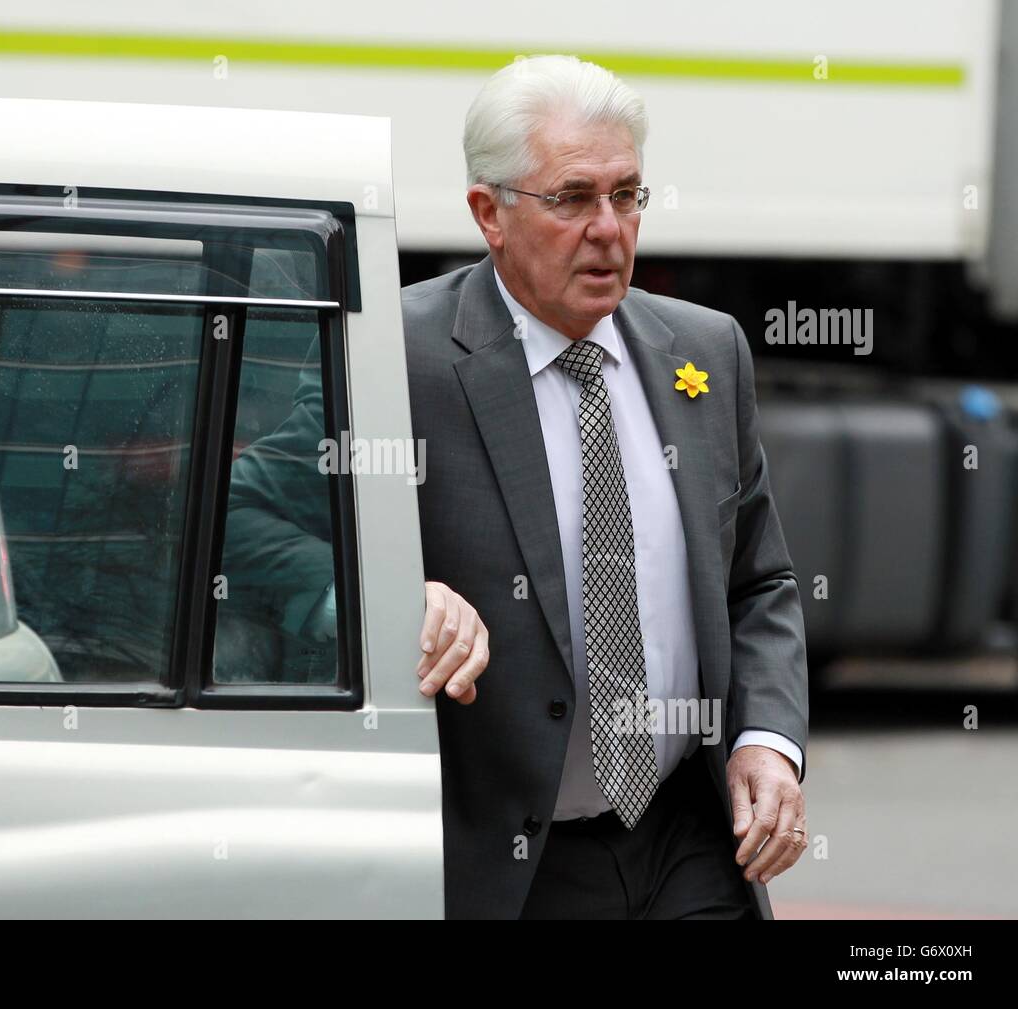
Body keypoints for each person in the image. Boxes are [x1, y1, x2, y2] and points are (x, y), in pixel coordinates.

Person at [403, 54, 808, 919]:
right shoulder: (403, 356)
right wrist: (403, 593)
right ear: (490, 213)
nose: (609, 228)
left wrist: (767, 742)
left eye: (627, 195)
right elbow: (266, 529)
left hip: (688, 834)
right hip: (520, 853)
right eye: (573, 197)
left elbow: (759, 582)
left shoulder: (705, 352)